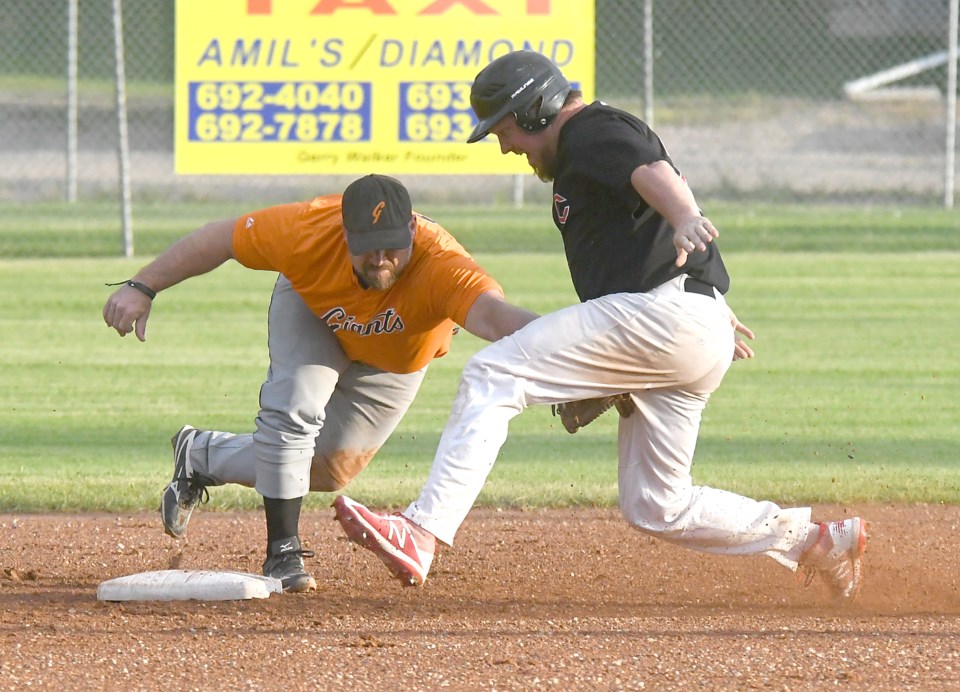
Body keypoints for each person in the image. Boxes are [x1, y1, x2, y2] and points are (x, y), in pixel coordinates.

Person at [332, 51, 868, 603]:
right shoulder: (586, 149)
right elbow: (649, 203)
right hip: (685, 323)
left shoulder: (591, 130)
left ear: (538, 110)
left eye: (507, 129)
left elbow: (656, 175)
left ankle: (421, 530)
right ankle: (815, 541)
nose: (506, 145)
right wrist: (704, 296)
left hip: (664, 316)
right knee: (657, 505)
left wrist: (687, 224)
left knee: (493, 373)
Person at [102, 174, 538, 593]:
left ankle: (200, 455)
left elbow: (494, 315)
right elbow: (220, 239)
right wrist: (144, 285)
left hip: (396, 357)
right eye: (367, 248)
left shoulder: (441, 262)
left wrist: (578, 352)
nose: (380, 259)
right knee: (294, 410)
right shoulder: (307, 229)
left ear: (412, 228)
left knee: (328, 469)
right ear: (345, 233)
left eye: (391, 246)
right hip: (316, 314)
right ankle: (282, 552)